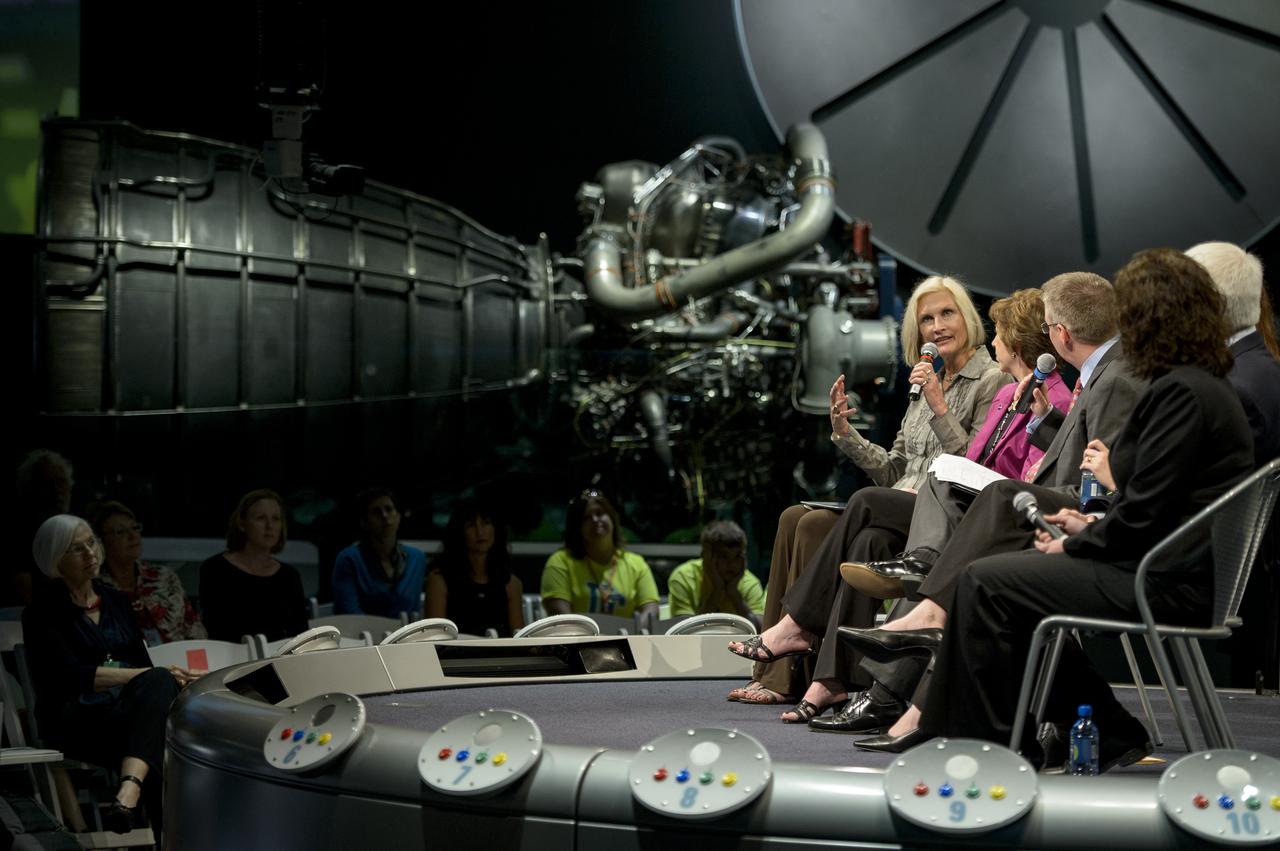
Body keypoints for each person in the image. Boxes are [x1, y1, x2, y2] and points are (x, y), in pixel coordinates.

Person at [846, 248, 1255, 765]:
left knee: (985, 583)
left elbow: (1145, 517)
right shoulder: (1197, 387)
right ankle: (1106, 729)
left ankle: (986, 748)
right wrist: (1085, 522)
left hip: (1165, 581)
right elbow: (1155, 505)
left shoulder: (1181, 393)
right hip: (1167, 567)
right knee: (996, 578)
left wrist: (1077, 540)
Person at [833, 271, 1147, 747]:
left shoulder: (1114, 378)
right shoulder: (1098, 375)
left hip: (1081, 527)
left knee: (977, 556)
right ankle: (901, 687)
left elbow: (1099, 478)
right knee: (884, 525)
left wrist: (1078, 510)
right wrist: (1043, 423)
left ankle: (920, 645)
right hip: (1037, 507)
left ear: (1060, 334)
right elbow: (1078, 452)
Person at [728, 275, 1009, 715]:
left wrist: (938, 406)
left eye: (946, 314)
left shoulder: (989, 380)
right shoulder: (925, 381)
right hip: (899, 506)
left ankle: (796, 625)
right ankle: (830, 680)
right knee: (819, 526)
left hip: (946, 512)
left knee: (861, 503)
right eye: (927, 319)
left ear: (967, 319)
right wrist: (846, 434)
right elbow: (894, 467)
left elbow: (975, 467)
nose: (937, 326)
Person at [23, 515, 198, 835]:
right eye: (76, 548)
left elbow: (141, 663)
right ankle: (154, 821)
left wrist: (162, 676)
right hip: (77, 719)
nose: (90, 553)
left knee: (161, 712)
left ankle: (128, 794)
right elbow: (69, 676)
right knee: (162, 740)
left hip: (124, 717)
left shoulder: (116, 600)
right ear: (54, 557)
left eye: (91, 543)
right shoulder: (41, 613)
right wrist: (142, 675)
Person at [199, 489, 309, 642]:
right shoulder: (215, 569)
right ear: (242, 524)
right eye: (260, 518)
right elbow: (214, 631)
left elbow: (300, 634)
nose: (269, 525)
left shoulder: (289, 576)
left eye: (276, 519)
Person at [92, 500, 206, 644]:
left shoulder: (164, 577)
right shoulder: (95, 588)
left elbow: (194, 629)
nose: (133, 536)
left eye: (135, 528)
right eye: (120, 532)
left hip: (177, 660)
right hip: (126, 664)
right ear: (101, 542)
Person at [540, 490, 660, 620]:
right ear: (577, 527)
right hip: (580, 639)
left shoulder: (636, 563)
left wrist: (636, 633)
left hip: (627, 637)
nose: (595, 520)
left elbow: (651, 610)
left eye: (600, 513)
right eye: (586, 517)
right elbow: (561, 618)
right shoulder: (560, 562)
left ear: (612, 518)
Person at [425, 497, 524, 636]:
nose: (480, 532)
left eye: (486, 523)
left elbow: (518, 638)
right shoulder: (439, 581)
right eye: (471, 525)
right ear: (459, 532)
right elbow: (434, 638)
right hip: (454, 656)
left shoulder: (511, 583)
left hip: (501, 656)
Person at [332, 487, 427, 618]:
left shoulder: (416, 558)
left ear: (398, 517)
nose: (384, 516)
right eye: (376, 512)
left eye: (389, 509)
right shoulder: (349, 559)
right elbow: (349, 612)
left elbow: (413, 611)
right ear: (364, 522)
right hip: (363, 635)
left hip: (406, 635)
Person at [10, 449, 75, 605]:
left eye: (61, 481)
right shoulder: (21, 531)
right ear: (31, 488)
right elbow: (23, 586)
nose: (57, 490)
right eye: (47, 483)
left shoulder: (73, 527)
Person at [667, 520, 766, 622]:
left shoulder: (750, 583)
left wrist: (734, 594)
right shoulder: (684, 577)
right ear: (706, 556)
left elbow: (760, 629)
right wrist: (717, 591)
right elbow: (683, 631)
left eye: (737, 556)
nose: (731, 564)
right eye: (723, 556)